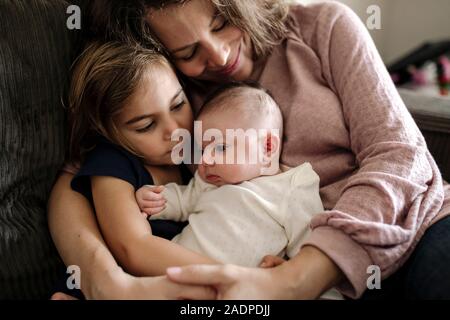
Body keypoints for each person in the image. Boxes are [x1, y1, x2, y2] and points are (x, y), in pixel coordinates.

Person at [49, 0, 450, 299]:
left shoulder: (322, 28)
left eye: (223, 23)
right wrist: (103, 279)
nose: (219, 55)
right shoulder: (174, 96)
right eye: (187, 52)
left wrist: (301, 277)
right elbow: (77, 175)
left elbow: (400, 154)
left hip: (415, 229)